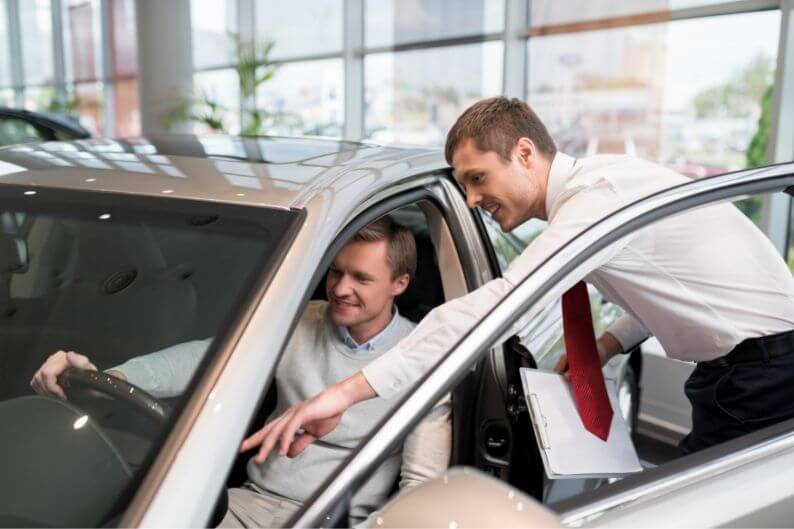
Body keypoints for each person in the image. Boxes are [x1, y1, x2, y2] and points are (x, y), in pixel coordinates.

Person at [248, 96, 794, 462]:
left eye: (478, 178)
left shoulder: (596, 200)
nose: (471, 200)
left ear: (525, 153)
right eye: (464, 186)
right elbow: (668, 280)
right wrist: (607, 341)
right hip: (749, 368)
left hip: (759, 377)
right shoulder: (605, 188)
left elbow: (495, 305)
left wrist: (344, 393)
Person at [31, 216, 452, 527]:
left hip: (342, 521)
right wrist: (112, 378)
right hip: (248, 508)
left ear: (399, 283)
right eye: (337, 272)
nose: (341, 288)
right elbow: (207, 358)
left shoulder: (420, 354)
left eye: (361, 278)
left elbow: (420, 483)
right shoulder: (301, 318)